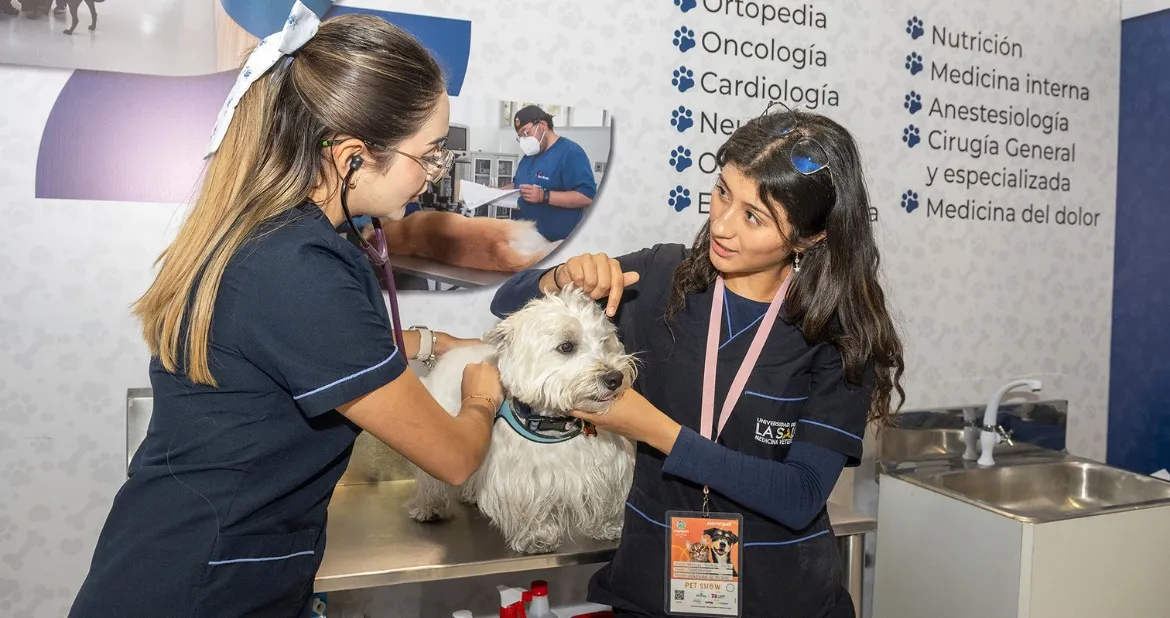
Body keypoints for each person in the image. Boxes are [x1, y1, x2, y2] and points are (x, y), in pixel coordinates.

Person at [69, 8, 504, 617]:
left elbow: (301, 351)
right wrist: (482, 392)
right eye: (429, 155)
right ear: (353, 155)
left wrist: (430, 342)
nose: (431, 176)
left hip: (167, 561)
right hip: (205, 590)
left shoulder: (264, 240)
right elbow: (454, 459)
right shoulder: (301, 266)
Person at [492, 102, 906, 618]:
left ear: (811, 236)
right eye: (722, 193)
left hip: (779, 595)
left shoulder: (837, 332)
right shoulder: (662, 278)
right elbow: (507, 303)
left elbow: (799, 494)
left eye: (754, 216)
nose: (723, 226)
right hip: (650, 588)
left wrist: (656, 430)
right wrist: (561, 276)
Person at [500, 105, 597, 242]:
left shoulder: (570, 152)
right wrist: (493, 193)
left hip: (554, 244)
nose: (524, 140)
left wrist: (544, 196)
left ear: (543, 125)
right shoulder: (529, 157)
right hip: (524, 239)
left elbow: (587, 197)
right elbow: (518, 185)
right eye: (520, 137)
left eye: (525, 133)